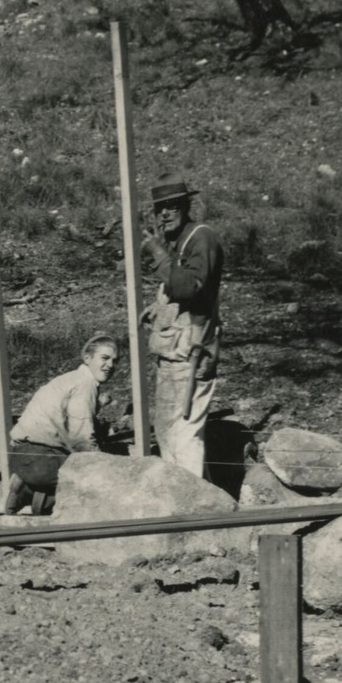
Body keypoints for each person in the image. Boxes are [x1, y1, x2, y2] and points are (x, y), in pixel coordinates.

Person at [140, 171, 224, 478]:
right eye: (160, 208)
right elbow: (185, 292)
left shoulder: (201, 237)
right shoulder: (183, 242)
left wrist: (158, 255)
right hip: (177, 354)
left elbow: (191, 286)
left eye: (172, 206)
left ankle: (191, 513)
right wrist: (161, 306)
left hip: (191, 354)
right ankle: (192, 505)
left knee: (183, 436)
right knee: (170, 432)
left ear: (186, 206)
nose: (164, 214)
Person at [7, 335, 119, 509]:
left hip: (23, 457)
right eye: (104, 358)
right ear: (87, 359)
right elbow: (81, 437)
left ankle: (29, 490)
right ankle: (36, 496)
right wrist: (103, 464)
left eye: (114, 360)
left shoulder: (72, 378)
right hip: (42, 459)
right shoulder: (85, 384)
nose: (111, 365)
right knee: (100, 481)